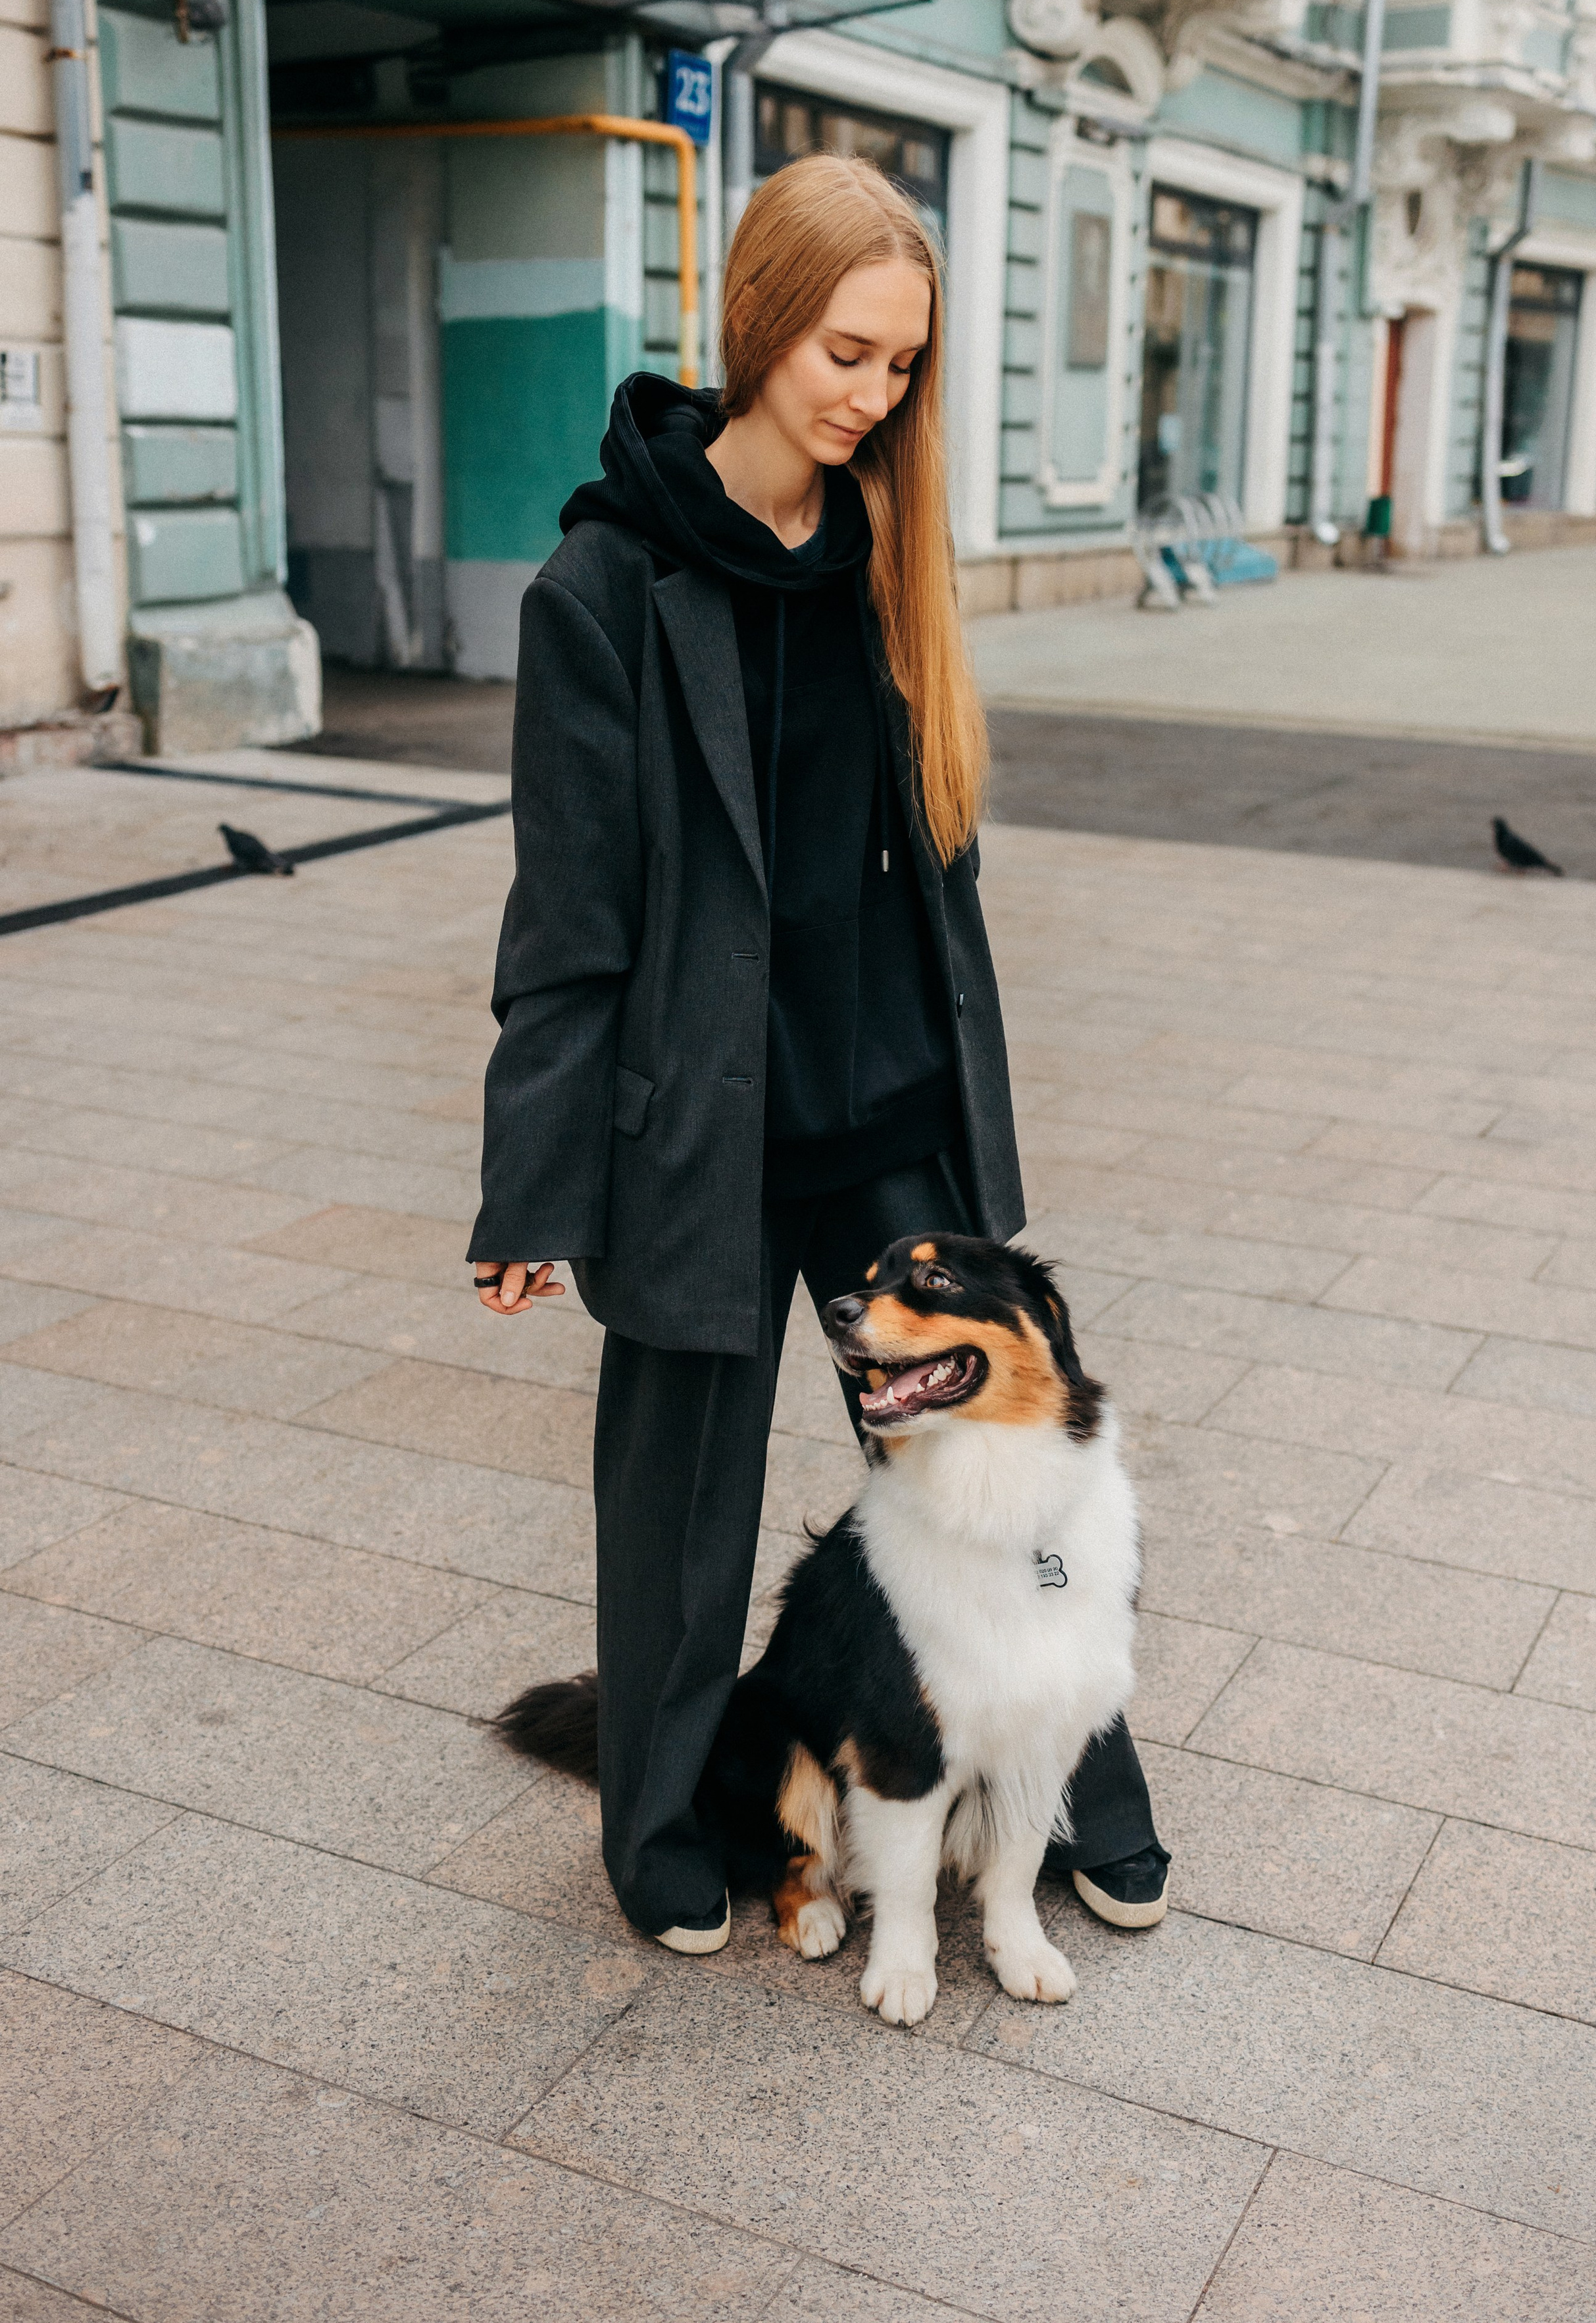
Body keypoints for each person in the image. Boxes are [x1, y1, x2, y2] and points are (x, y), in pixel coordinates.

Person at [468, 152, 1169, 1955]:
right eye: (846, 353)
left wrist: (967, 1117)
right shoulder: (606, 583)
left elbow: (946, 876)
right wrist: (533, 1185)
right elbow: (571, 917)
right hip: (692, 1124)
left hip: (882, 1116)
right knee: (680, 1514)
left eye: (901, 368)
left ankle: (1078, 1791)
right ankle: (665, 1825)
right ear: (764, 322)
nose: (869, 395)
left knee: (1007, 1469)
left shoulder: (884, 560)